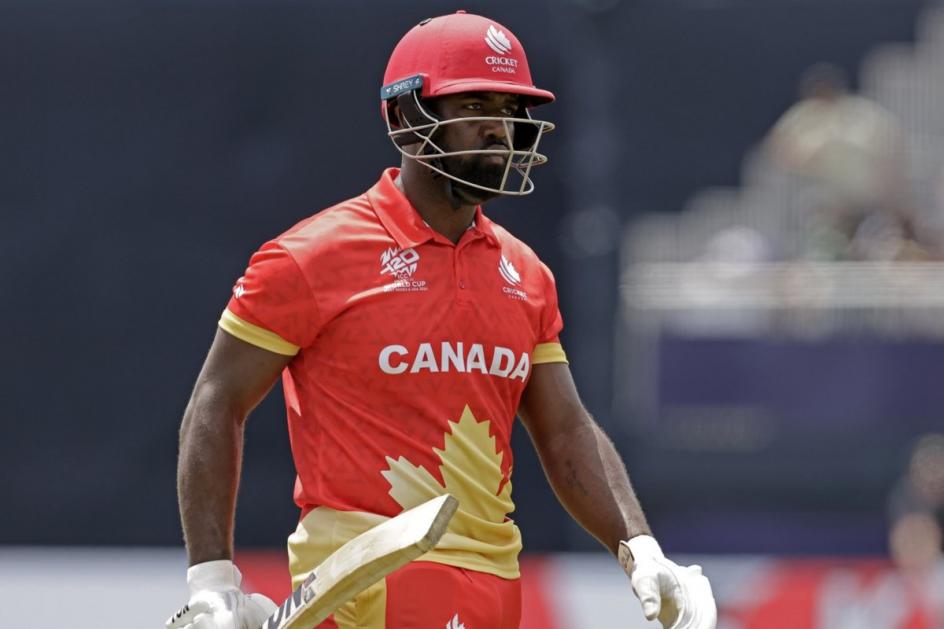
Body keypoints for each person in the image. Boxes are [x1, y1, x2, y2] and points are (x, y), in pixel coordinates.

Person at [167, 11, 716, 629]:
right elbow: (217, 400)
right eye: (475, 105)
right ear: (406, 116)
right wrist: (212, 581)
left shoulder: (525, 273)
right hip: (366, 584)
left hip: (495, 585)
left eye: (509, 109)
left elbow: (565, 430)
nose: (499, 128)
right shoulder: (311, 256)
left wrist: (640, 548)